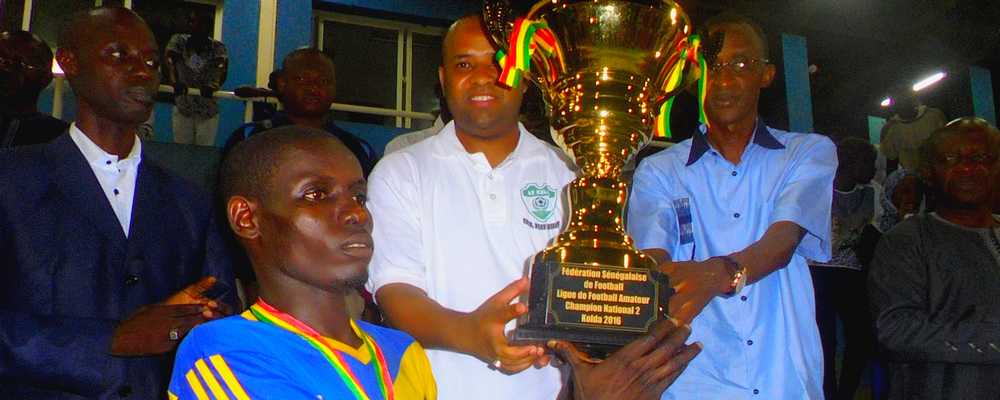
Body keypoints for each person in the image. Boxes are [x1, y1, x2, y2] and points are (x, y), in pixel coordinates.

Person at [0, 8, 235, 398]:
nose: (142, 71)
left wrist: (193, 320)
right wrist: (111, 339)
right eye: (118, 55)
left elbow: (219, 312)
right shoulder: (11, 181)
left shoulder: (190, 201)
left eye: (150, 61)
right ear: (69, 62)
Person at [627, 12, 837, 399]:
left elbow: (781, 243)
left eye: (741, 64)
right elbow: (650, 265)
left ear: (767, 74)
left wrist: (716, 274)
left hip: (782, 375)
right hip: (691, 379)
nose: (723, 80)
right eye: (710, 66)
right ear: (693, 78)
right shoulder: (658, 171)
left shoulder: (806, 152)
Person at [365, 14, 575, 400]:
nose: (482, 76)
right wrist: (473, 335)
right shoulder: (401, 171)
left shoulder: (566, 174)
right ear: (444, 80)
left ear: (524, 77)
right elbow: (394, 291)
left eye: (498, 63)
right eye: (464, 64)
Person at [169, 126, 436, 399]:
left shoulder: (403, 353)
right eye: (317, 195)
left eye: (359, 197)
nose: (357, 213)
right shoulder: (225, 351)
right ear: (246, 218)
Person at [869, 117, 1000, 399]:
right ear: (929, 172)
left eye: (981, 157)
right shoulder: (907, 240)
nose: (968, 168)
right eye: (952, 158)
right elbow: (895, 331)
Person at [222, 48, 377, 176]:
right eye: (302, 79)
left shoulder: (356, 148)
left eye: (323, 81)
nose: (313, 88)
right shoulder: (249, 138)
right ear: (282, 84)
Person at [809, 137, 880, 400]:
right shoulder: (819, 192)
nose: (873, 169)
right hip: (819, 272)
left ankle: (846, 392)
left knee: (860, 336)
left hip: (853, 274)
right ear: (850, 164)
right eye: (869, 163)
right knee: (823, 340)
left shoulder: (872, 192)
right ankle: (827, 392)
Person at [164, 9, 228, 146]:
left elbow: (222, 68)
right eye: (192, 22)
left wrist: (213, 85)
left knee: (203, 152)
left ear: (208, 27)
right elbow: (169, 60)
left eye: (200, 23)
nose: (194, 26)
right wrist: (174, 82)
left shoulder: (217, 47)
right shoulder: (179, 41)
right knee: (181, 151)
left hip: (207, 109)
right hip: (184, 107)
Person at [0, 30, 68, 147]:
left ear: (45, 78)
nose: (6, 70)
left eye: (21, 64)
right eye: (2, 60)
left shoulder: (58, 137)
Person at [880, 94, 947, 173]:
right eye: (899, 101)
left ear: (913, 99)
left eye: (906, 99)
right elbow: (891, 160)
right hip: (913, 177)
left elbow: (949, 143)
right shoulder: (891, 128)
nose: (903, 103)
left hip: (940, 170)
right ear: (893, 105)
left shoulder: (934, 116)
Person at [877, 167, 925, 232]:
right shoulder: (875, 229)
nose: (912, 197)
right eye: (906, 191)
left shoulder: (924, 232)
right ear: (890, 192)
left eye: (917, 193)